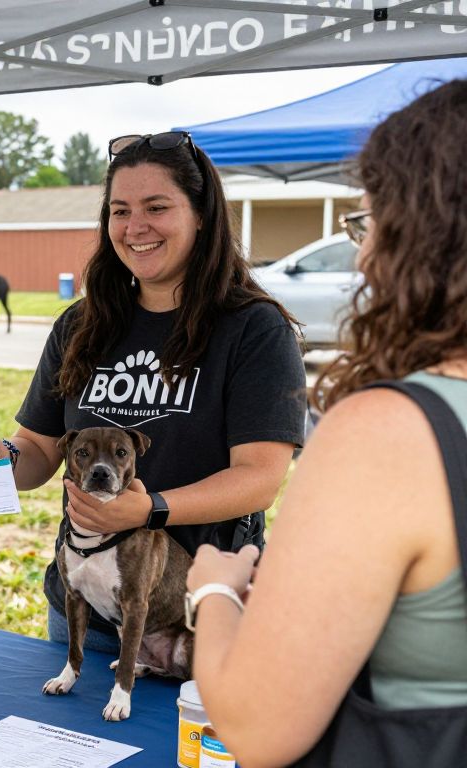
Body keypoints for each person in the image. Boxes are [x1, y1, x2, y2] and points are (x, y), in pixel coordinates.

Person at [185, 79, 467, 767]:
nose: (364, 256)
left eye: (368, 224)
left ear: (420, 234)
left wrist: (215, 590)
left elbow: (257, 728)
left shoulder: (393, 433)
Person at [0, 131, 305, 652]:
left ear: (201, 215)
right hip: (87, 614)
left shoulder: (254, 329)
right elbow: (37, 451)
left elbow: (259, 479)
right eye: (120, 211)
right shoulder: (82, 324)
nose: (135, 227)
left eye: (156, 207)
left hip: (192, 620)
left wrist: (150, 509)